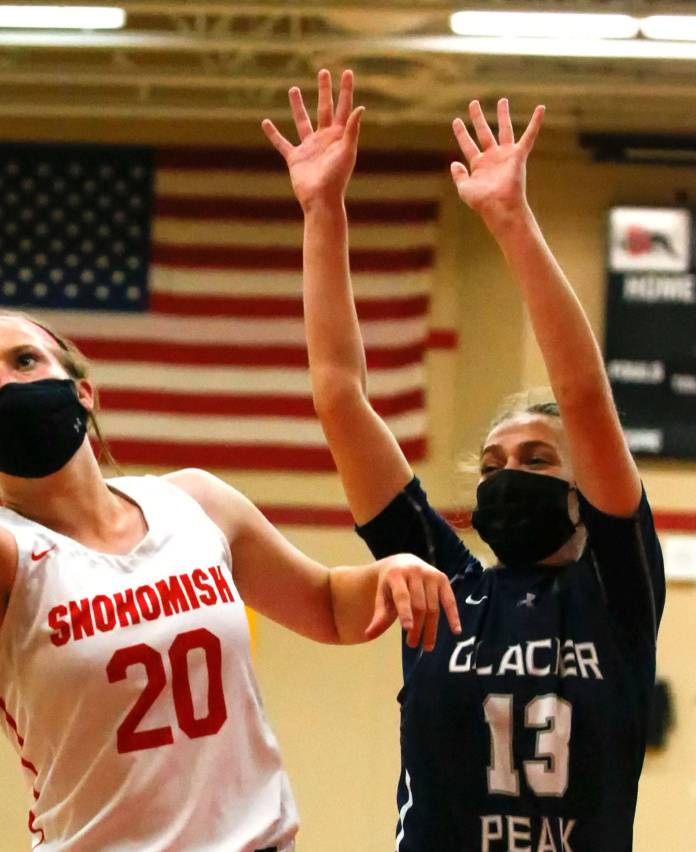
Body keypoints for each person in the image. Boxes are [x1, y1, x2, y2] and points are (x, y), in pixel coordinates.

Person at [0, 234, 460, 851]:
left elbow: (330, 608)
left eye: (26, 361)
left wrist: (390, 571)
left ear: (83, 391)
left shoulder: (194, 501)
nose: (7, 382)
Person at [263, 70, 665, 851]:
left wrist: (513, 224)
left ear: (584, 490)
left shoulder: (618, 594)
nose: (510, 471)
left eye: (536, 459)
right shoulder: (439, 589)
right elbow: (340, 398)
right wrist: (322, 212)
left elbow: (582, 395)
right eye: (492, 462)